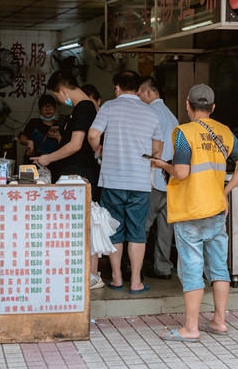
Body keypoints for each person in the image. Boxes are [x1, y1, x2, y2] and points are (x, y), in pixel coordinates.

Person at [151, 84, 238, 342]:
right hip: (216, 209)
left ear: (187, 105)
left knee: (192, 268)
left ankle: (191, 328)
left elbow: (182, 172)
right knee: (219, 267)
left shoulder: (184, 133)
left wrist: (163, 165)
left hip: (190, 211)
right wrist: (225, 192)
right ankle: (219, 321)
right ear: (213, 108)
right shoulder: (224, 131)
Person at [88, 70, 164, 295]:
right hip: (139, 183)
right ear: (139, 89)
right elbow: (156, 149)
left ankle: (118, 278)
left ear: (117, 88)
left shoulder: (109, 107)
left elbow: (93, 135)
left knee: (115, 230)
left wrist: (99, 149)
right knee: (137, 232)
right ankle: (137, 282)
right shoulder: (151, 113)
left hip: (112, 181)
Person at [34, 72, 103, 288]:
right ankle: (84, 273)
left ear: (63, 91)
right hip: (74, 175)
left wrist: (47, 158)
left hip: (80, 176)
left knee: (86, 226)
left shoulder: (84, 108)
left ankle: (92, 275)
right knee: (79, 227)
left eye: (57, 97)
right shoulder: (80, 109)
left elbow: (75, 145)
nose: (59, 101)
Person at [138, 76, 180, 280]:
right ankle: (163, 268)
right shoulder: (171, 116)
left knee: (143, 226)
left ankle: (135, 268)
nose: (138, 99)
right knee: (165, 228)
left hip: (154, 178)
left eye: (139, 94)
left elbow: (148, 147)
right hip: (171, 180)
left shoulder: (150, 113)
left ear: (147, 92)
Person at [18, 94, 61, 162]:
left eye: (51, 107)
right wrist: (29, 142)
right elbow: (22, 139)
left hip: (52, 163)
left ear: (55, 109)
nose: (48, 109)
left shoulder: (59, 126)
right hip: (33, 162)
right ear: (40, 109)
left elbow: (66, 146)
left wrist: (59, 137)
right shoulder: (33, 122)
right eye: (44, 107)